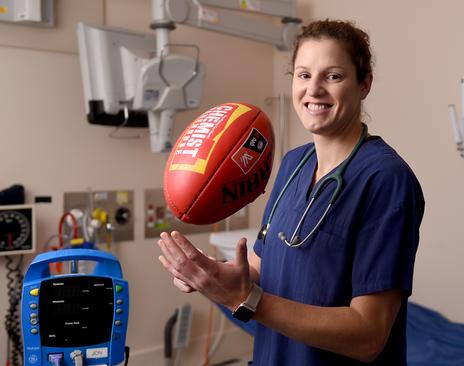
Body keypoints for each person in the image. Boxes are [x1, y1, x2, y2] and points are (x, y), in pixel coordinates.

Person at [157, 19, 425, 365]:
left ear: (364, 85)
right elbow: (259, 267)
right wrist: (210, 276)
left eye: (333, 76)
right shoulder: (293, 164)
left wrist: (246, 298)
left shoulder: (386, 180)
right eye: (303, 75)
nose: (313, 90)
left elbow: (369, 336)